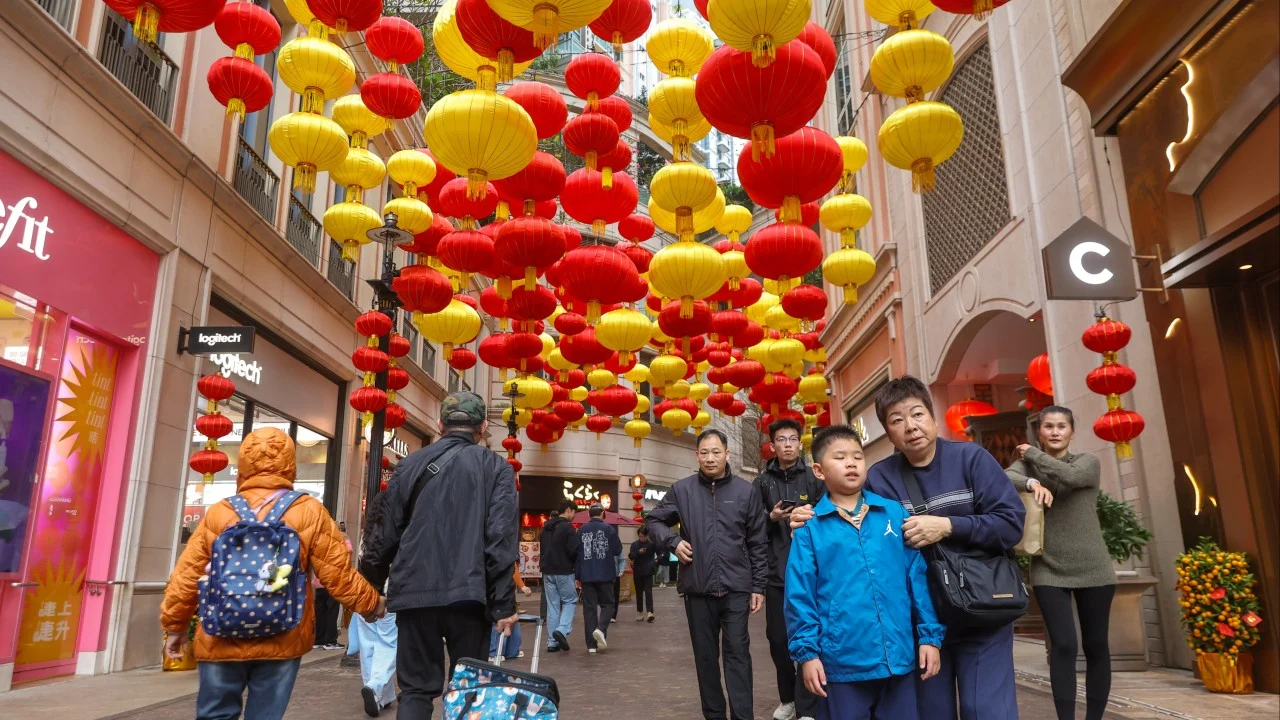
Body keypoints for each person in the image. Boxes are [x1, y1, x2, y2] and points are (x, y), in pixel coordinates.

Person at [791, 376, 1025, 719]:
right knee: (933, 712)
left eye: (917, 414)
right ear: (887, 431)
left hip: (981, 610)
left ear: (932, 415)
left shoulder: (971, 458)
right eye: (897, 420)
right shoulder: (879, 478)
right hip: (921, 622)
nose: (910, 426)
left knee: (986, 709)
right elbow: (840, 502)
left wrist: (946, 526)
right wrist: (804, 514)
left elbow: (1011, 523)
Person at [161, 427, 385, 720]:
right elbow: (337, 573)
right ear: (290, 464)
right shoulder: (309, 511)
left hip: (220, 632)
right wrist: (371, 604)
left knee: (214, 715)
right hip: (282, 633)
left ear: (242, 465)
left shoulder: (220, 512)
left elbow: (186, 577)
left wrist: (175, 627)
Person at [360, 391, 519, 720]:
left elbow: (383, 531)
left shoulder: (410, 464)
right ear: (483, 427)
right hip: (470, 596)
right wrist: (503, 603)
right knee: (467, 687)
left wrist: (371, 586)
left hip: (415, 592)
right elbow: (500, 537)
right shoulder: (497, 468)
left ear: (439, 425)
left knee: (416, 689)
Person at [787, 425, 944, 719]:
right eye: (840, 457)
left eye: (858, 457)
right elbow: (799, 596)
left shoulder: (893, 513)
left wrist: (929, 637)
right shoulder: (810, 528)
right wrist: (807, 655)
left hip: (897, 657)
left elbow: (918, 580)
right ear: (819, 471)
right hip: (842, 663)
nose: (851, 463)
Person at [647, 429, 769, 720]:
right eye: (704, 452)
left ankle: (743, 716)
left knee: (738, 655)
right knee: (705, 659)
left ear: (727, 455)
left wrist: (759, 586)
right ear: (697, 455)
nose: (710, 458)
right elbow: (653, 520)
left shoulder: (745, 491)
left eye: (716, 452)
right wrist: (673, 541)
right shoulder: (682, 490)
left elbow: (757, 541)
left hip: (737, 588)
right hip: (697, 588)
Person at [1006, 406, 1115, 720]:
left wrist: (1034, 456)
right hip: (1049, 567)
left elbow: (1071, 476)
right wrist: (1030, 484)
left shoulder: (1086, 462)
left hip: (1094, 567)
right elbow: (1007, 477)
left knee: (1096, 645)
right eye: (1048, 426)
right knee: (1064, 645)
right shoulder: (1026, 468)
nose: (1054, 432)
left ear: (1071, 431)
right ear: (1039, 431)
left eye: (1061, 426)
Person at [755, 419, 826, 720]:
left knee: (811, 637)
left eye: (792, 439)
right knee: (778, 640)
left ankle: (807, 705)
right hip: (776, 573)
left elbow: (829, 515)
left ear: (800, 444)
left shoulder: (814, 478)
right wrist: (770, 517)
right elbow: (750, 527)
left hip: (813, 573)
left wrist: (809, 517)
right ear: (772, 445)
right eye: (781, 439)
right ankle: (789, 698)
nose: (787, 444)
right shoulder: (760, 483)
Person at [351, 493, 398, 717]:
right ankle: (376, 687)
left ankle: (382, 696)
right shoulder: (396, 534)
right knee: (388, 644)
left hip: (365, 595)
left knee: (368, 645)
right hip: (389, 595)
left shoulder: (365, 536)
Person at [576, 503, 622, 653]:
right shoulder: (609, 529)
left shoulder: (581, 530)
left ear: (589, 514)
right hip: (605, 573)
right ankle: (601, 630)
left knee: (589, 609)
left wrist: (578, 574)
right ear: (603, 513)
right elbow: (617, 550)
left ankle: (591, 646)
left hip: (587, 575)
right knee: (608, 604)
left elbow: (576, 553)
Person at [540, 499, 580, 652]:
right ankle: (562, 630)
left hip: (547, 571)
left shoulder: (545, 528)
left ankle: (552, 642)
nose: (574, 515)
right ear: (568, 510)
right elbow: (573, 550)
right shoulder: (567, 528)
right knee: (570, 600)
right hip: (564, 570)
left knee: (553, 606)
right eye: (574, 512)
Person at [489, 564, 534, 662]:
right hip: (507, 589)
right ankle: (511, 651)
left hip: (497, 588)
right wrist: (522, 586)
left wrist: (522, 586)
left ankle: (495, 652)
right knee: (511, 617)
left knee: (499, 619)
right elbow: (513, 569)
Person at [629, 526, 657, 622]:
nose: (641, 538)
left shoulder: (651, 544)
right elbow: (631, 555)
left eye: (643, 536)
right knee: (639, 593)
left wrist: (656, 561)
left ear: (646, 535)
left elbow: (659, 553)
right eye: (640, 536)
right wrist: (638, 553)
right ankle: (640, 612)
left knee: (648, 592)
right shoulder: (634, 545)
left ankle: (650, 612)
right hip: (637, 572)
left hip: (648, 571)